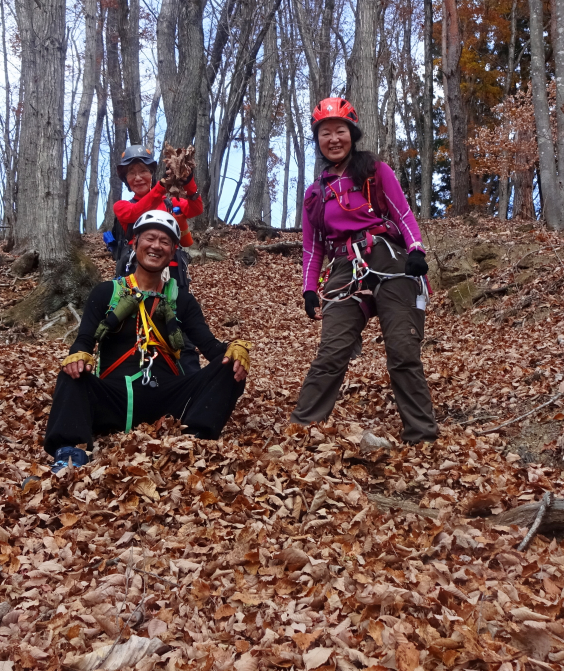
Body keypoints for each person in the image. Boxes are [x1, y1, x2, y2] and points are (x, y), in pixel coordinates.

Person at [44, 210, 250, 471]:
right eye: (150, 238)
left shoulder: (182, 300)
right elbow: (84, 340)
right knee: (71, 374)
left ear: (174, 251)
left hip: (169, 398)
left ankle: (196, 440)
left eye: (165, 242)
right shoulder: (107, 292)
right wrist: (78, 356)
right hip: (114, 396)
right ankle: (69, 455)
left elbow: (209, 346)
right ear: (135, 243)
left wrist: (235, 350)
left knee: (229, 367)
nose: (156, 246)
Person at [291, 98, 438, 443]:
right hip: (344, 267)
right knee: (332, 351)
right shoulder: (315, 195)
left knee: (402, 350)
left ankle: (422, 435)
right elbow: (312, 248)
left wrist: (416, 249)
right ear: (318, 141)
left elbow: (402, 213)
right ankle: (301, 428)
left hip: (388, 257)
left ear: (351, 134)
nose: (333, 139)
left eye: (339, 131)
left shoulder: (374, 171)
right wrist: (309, 288)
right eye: (325, 133)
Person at [110, 144, 204, 373]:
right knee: (134, 328)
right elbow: (135, 213)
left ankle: (188, 383)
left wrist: (188, 179)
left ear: (151, 172)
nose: (137, 177)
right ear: (125, 178)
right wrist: (161, 188)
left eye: (142, 170)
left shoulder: (170, 202)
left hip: (173, 277)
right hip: (136, 279)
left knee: (179, 328)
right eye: (131, 173)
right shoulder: (122, 207)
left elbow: (196, 207)